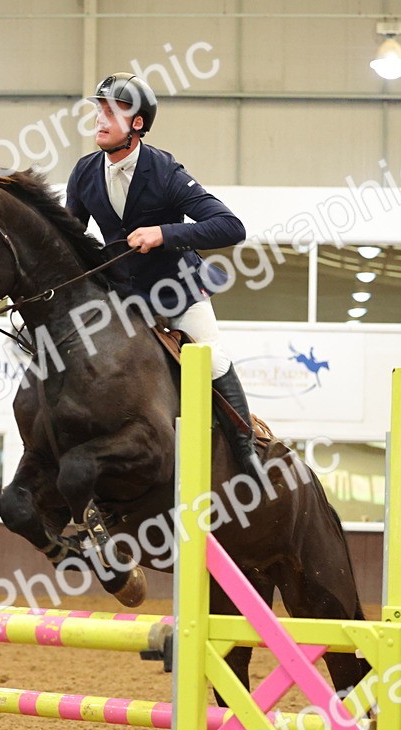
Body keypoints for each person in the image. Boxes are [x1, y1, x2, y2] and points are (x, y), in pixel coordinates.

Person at [64, 72, 259, 473]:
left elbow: (230, 226)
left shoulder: (165, 171)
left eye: (111, 112)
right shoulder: (84, 172)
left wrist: (164, 233)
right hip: (121, 298)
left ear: (137, 124)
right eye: (98, 110)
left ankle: (247, 454)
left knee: (212, 357)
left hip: (177, 294)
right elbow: (69, 238)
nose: (99, 120)